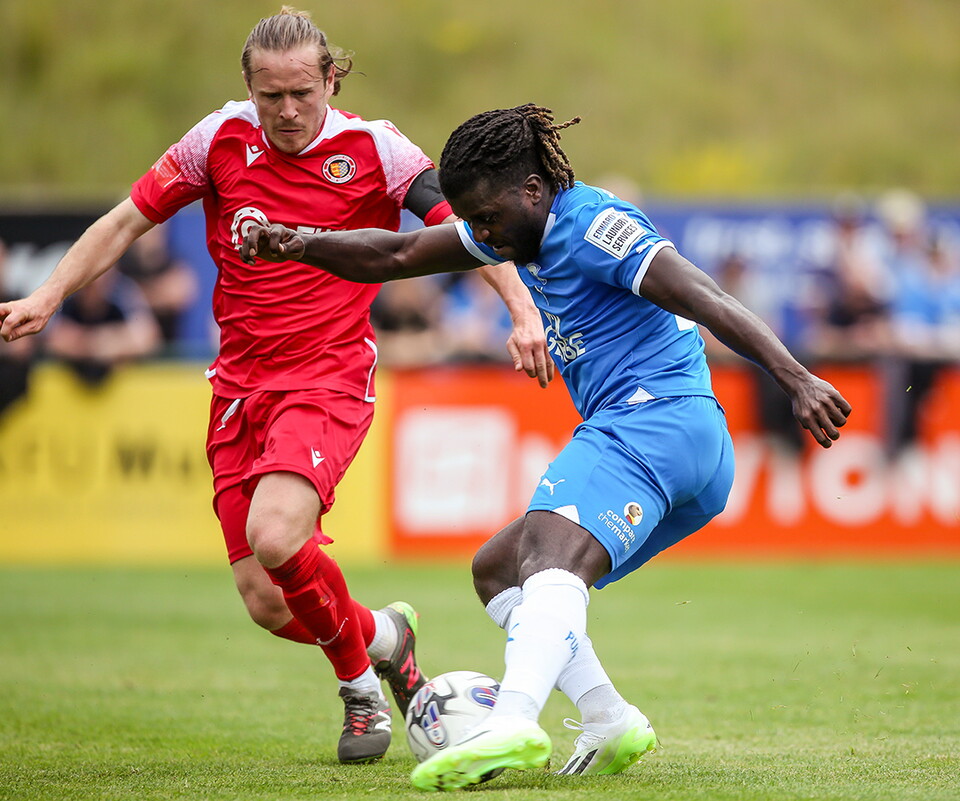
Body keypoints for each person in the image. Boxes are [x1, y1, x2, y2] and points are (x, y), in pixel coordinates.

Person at [239, 103, 852, 790]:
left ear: (532, 190)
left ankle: (512, 720)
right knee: (499, 570)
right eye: (470, 221)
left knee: (549, 558)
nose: (479, 234)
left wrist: (797, 378)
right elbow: (398, 253)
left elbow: (704, 295)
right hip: (678, 446)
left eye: (486, 218)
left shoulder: (594, 226)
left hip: (655, 419)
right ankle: (608, 718)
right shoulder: (512, 230)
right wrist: (300, 243)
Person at [0, 12, 550, 765]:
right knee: (266, 600)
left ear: (331, 80)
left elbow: (465, 230)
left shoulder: (377, 151)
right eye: (270, 96)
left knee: (277, 534)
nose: (287, 111)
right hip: (238, 387)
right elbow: (126, 221)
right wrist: (49, 294)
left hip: (327, 376)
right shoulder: (217, 141)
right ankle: (386, 637)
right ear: (249, 89)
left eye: (301, 93)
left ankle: (359, 690)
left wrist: (521, 309)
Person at [44, 269, 162, 386]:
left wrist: (96, 341)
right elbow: (51, 339)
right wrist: (98, 342)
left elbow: (147, 338)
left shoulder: (123, 290)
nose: (94, 283)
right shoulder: (68, 292)